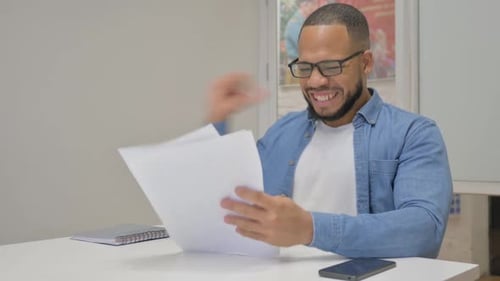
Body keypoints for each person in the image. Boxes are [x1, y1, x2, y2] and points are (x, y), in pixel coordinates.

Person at [207, 3, 452, 258]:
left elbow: (424, 230)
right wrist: (218, 121)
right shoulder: (282, 132)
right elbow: (231, 200)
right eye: (305, 68)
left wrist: (310, 229)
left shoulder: (413, 135)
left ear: (366, 63)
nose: (316, 81)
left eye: (331, 66)